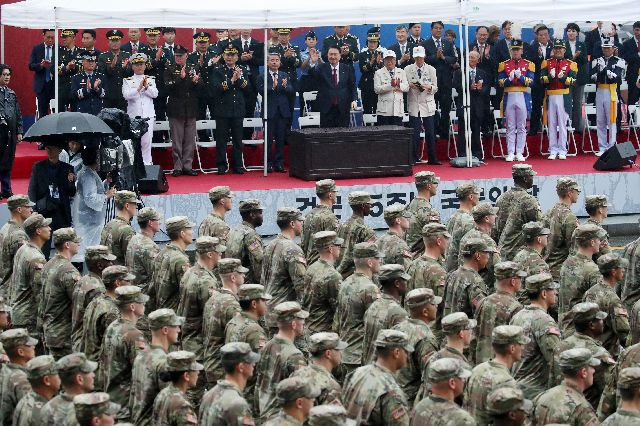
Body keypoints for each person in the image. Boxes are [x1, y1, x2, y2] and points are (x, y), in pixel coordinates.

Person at [342, 329, 411, 425]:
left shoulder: (357, 373)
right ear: (397, 352)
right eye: (406, 352)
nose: (407, 356)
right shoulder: (391, 392)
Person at [100, 285, 148, 421]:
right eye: (141, 302)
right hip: (127, 404)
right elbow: (143, 371)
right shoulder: (133, 334)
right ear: (132, 306)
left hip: (113, 398)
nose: (144, 304)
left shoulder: (113, 326)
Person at [510, 273, 561, 399]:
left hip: (516, 387)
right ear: (543, 294)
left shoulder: (518, 316)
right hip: (536, 392)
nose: (555, 293)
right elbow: (556, 359)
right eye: (552, 289)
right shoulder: (545, 321)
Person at [255, 302, 308, 422]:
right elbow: (302, 393)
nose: (304, 322)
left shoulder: (267, 346)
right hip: (281, 418)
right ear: (294, 324)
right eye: (301, 319)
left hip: (264, 414)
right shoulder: (294, 355)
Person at [555, 302, 615, 409]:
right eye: (600, 319)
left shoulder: (560, 346)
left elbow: (553, 381)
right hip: (585, 410)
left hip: (560, 406)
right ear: (591, 325)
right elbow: (609, 390)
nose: (603, 322)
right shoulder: (599, 353)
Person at [463, 325, 527, 425]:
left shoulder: (477, 370)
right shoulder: (507, 383)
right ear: (512, 348)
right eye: (521, 344)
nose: (523, 347)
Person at [129, 308, 183, 426]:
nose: (179, 330)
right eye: (176, 326)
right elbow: (168, 404)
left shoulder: (141, 356)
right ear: (165, 330)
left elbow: (133, 397)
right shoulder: (163, 362)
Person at [393, 288, 441, 407]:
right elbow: (430, 378)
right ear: (425, 312)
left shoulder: (398, 327)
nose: (436, 306)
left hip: (395, 396)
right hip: (411, 403)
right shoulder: (426, 338)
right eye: (433, 304)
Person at [28, 142, 77, 260]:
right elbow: (32, 190)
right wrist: (33, 210)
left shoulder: (67, 168)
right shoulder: (38, 167)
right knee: (43, 250)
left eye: (52, 148)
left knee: (64, 249)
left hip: (61, 213)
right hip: (44, 212)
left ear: (60, 150)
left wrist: (71, 181)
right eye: (47, 148)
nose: (49, 151)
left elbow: (72, 192)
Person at [40, 228, 81, 358]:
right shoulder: (68, 270)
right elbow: (79, 302)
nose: (79, 244)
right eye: (76, 241)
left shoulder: (48, 264)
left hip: (49, 330)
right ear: (67, 245)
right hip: (63, 335)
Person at [202, 258, 245, 386]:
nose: (244, 275)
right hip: (223, 369)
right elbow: (235, 340)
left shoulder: (212, 300)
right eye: (241, 273)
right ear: (233, 277)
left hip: (211, 364)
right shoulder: (231, 305)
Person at [406, 223, 450, 344]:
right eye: (446, 239)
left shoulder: (412, 265)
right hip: (432, 336)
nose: (448, 242)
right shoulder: (438, 271)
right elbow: (445, 306)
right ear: (439, 241)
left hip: (412, 332)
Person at [558, 224, 605, 334]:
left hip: (564, 325)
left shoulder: (567, 263)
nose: (600, 242)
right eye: (598, 239)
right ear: (592, 242)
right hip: (580, 329)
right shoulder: (592, 270)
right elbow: (599, 303)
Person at [474, 262, 525, 364]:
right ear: (513, 281)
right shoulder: (515, 307)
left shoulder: (483, 302)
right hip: (500, 365)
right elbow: (516, 343)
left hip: (480, 363)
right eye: (520, 278)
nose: (521, 281)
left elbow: (474, 336)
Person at [532, 348, 599, 425]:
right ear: (584, 372)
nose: (593, 370)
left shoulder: (541, 397)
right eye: (591, 367)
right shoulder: (582, 408)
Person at [211, 45, 250, 175]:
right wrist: (231, 80)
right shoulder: (218, 70)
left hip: (238, 109)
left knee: (238, 139)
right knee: (221, 139)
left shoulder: (243, 69)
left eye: (233, 55)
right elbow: (215, 89)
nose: (230, 57)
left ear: (237, 57)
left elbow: (248, 88)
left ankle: (238, 165)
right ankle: (221, 165)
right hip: (222, 110)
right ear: (223, 56)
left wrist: (238, 79)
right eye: (227, 55)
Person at [199, 342, 259, 426]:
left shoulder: (209, 395)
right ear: (241, 367)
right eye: (250, 361)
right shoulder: (237, 404)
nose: (254, 364)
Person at [80, 265, 132, 362]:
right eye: (127, 281)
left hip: (90, 359)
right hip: (101, 365)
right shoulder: (112, 310)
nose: (130, 284)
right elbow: (114, 345)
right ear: (118, 283)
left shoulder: (95, 302)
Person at [69, 247, 116, 351]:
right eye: (108, 262)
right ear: (100, 265)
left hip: (78, 338)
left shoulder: (84, 280)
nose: (112, 264)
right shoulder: (97, 288)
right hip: (87, 345)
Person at [164, 44, 201, 176]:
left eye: (180, 56)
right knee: (177, 140)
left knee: (190, 140)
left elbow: (200, 88)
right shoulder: (169, 68)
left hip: (190, 108)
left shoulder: (193, 67)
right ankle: (178, 166)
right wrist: (181, 78)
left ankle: (188, 165)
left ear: (186, 55)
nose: (178, 58)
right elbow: (168, 87)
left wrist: (196, 82)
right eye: (176, 56)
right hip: (176, 108)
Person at [73, 149, 115, 262]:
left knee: (92, 248)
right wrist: (106, 196)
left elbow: (96, 190)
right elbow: (90, 198)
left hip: (93, 218)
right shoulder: (87, 175)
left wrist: (106, 182)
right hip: (89, 219)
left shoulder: (90, 172)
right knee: (90, 251)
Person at [11, 214, 51, 333]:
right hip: (29, 318)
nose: (49, 229)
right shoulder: (36, 258)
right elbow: (40, 293)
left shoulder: (23, 249)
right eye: (46, 226)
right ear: (38, 231)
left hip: (19, 313)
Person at [362, 265, 409, 364]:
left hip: (369, 367)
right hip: (384, 368)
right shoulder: (397, 312)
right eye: (404, 280)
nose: (406, 283)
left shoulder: (373, 306)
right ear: (397, 283)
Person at [497, 39, 535, 162]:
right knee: (510, 126)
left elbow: (531, 81)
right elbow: (500, 82)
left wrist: (521, 77)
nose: (515, 52)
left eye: (517, 50)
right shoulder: (504, 64)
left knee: (522, 126)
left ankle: (520, 151)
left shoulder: (529, 64)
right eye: (513, 50)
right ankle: (510, 151)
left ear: (522, 50)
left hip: (522, 95)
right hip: (509, 94)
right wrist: (510, 78)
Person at [584, 253, 629, 355]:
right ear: (613, 271)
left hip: (590, 350)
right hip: (607, 354)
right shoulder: (613, 299)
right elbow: (624, 333)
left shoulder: (590, 292)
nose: (623, 270)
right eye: (620, 267)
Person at [262, 207, 306, 308]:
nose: (302, 223)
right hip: (285, 312)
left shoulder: (270, 245)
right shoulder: (293, 249)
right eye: (300, 220)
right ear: (292, 224)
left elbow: (263, 279)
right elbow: (301, 286)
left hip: (268, 309)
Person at [540, 38, 577, 160]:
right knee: (551, 123)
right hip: (551, 95)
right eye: (556, 48)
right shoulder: (546, 62)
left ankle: (562, 149)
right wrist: (549, 77)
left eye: (560, 48)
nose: (558, 51)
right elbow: (541, 79)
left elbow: (572, 81)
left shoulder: (571, 64)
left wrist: (563, 78)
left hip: (563, 95)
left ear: (564, 50)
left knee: (562, 123)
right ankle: (552, 148)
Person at [257, 52, 294, 173]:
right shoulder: (262, 76)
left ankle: (279, 163)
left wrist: (285, 87)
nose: (274, 62)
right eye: (272, 60)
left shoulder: (284, 75)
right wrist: (272, 87)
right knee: (268, 139)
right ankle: (267, 164)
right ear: (267, 62)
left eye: (276, 60)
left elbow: (291, 90)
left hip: (282, 111)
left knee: (280, 138)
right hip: (269, 111)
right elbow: (261, 91)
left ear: (280, 62)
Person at [496, 164, 541, 261]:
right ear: (525, 179)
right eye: (531, 176)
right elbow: (539, 228)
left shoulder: (501, 198)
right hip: (518, 256)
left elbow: (496, 228)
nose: (533, 178)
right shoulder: (529, 201)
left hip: (500, 254)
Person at [302, 231, 343, 335]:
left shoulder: (311, 268)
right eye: (337, 245)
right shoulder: (332, 275)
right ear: (330, 249)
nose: (340, 248)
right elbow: (340, 309)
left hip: (309, 328)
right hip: (324, 333)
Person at [38, 353, 97, 426]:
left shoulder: (48, 407)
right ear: (79, 379)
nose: (93, 375)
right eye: (89, 372)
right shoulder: (85, 414)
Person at [413, 358, 474, 425]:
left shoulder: (419, 408)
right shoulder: (462, 419)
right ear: (452, 383)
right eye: (461, 378)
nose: (464, 381)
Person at [150, 216, 193, 312]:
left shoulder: (161, 254)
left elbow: (152, 289)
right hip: (173, 317)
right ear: (182, 234)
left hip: (161, 314)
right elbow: (188, 294)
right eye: (189, 229)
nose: (192, 232)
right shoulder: (180, 260)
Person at [308, 45, 358, 128]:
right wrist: (313, 63)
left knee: (342, 134)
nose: (333, 57)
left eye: (335, 54)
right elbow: (312, 75)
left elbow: (352, 86)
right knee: (327, 136)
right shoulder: (321, 68)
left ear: (340, 55)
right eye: (330, 54)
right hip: (326, 108)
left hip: (343, 107)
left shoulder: (347, 69)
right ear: (327, 55)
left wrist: (354, 100)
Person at [423, 22, 457, 141]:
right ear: (431, 30)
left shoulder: (448, 43)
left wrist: (443, 58)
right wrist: (436, 57)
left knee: (446, 109)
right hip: (431, 82)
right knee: (432, 109)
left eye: (440, 28)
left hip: (446, 81)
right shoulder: (425, 43)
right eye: (436, 28)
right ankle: (433, 132)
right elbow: (424, 60)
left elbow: (454, 58)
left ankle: (444, 133)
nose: (438, 30)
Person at [590, 37, 624, 156]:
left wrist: (606, 71)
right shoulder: (597, 60)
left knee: (612, 120)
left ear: (613, 49)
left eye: (608, 48)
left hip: (611, 91)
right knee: (600, 120)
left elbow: (618, 78)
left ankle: (611, 146)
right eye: (604, 48)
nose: (606, 50)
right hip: (600, 90)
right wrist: (600, 72)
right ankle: (602, 146)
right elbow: (592, 77)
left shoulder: (618, 61)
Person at [404, 46, 438, 164]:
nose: (419, 59)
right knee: (415, 132)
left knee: (430, 132)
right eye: (417, 57)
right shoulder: (407, 69)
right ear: (414, 57)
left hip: (427, 103)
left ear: (424, 56)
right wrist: (409, 85)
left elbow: (436, 87)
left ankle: (433, 158)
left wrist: (430, 87)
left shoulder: (431, 69)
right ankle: (413, 158)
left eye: (421, 57)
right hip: (414, 103)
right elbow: (404, 85)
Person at [454, 50, 490, 161]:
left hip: (477, 106)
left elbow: (487, 87)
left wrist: (480, 89)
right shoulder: (461, 72)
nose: (470, 59)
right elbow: (456, 86)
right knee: (462, 130)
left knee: (476, 130)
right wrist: (468, 87)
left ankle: (477, 155)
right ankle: (462, 154)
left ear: (478, 60)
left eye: (473, 57)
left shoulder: (482, 72)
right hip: (464, 104)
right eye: (469, 57)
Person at [291, 332, 344, 406]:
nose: (341, 353)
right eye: (338, 349)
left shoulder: (296, 374)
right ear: (328, 354)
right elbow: (332, 417)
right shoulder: (331, 386)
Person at [122, 52, 157, 165]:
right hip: (134, 116)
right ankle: (135, 166)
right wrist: (138, 89)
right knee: (135, 142)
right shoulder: (127, 80)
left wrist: (146, 88)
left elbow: (155, 94)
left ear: (145, 65)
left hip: (148, 115)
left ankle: (147, 164)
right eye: (137, 64)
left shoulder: (150, 79)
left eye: (141, 64)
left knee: (147, 142)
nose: (139, 67)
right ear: (132, 66)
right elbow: (126, 95)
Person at [458, 203, 500, 290]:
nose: (496, 216)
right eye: (493, 214)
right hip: (482, 289)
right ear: (487, 219)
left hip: (465, 285)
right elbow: (497, 270)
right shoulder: (488, 241)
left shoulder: (465, 237)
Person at [544, 177, 580, 280]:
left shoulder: (549, 212)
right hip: (560, 272)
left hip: (546, 268)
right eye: (577, 191)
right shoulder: (569, 217)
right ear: (570, 193)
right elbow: (574, 249)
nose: (578, 193)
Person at [0, 328, 38, 425]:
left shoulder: (5, 371)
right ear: (21, 352)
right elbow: (29, 417)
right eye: (29, 345)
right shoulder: (22, 380)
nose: (33, 347)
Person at [152, 351, 201, 425]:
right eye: (195, 370)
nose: (198, 372)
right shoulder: (183, 406)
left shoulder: (162, 394)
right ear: (186, 376)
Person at [335, 191, 376, 279]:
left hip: (338, 275)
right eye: (369, 204)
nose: (371, 207)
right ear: (363, 206)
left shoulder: (341, 226)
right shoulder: (366, 230)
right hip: (354, 277)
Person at [0, 194, 33, 298]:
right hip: (14, 292)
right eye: (28, 207)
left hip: (5, 287)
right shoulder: (19, 235)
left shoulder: (6, 227)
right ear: (19, 209)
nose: (31, 210)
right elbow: (24, 266)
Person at [300, 179, 339, 265]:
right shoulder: (330, 218)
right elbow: (332, 246)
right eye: (335, 192)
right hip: (322, 266)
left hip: (308, 265)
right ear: (330, 195)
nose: (336, 194)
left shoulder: (308, 215)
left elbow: (303, 242)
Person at [13, 355, 60, 426]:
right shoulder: (45, 413)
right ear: (47, 380)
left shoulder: (25, 400)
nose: (60, 377)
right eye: (57, 374)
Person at [225, 199, 264, 284]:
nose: (262, 216)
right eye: (260, 212)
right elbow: (259, 264)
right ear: (252, 215)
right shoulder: (250, 235)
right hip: (247, 286)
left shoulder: (234, 231)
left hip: (233, 282)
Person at [444, 183, 479, 272]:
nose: (479, 197)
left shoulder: (452, 217)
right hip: (461, 270)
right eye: (477, 194)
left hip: (449, 269)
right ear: (471, 197)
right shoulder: (469, 220)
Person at [124, 206, 160, 293]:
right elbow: (159, 277)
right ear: (150, 223)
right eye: (157, 219)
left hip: (133, 290)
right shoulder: (150, 247)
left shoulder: (134, 239)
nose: (160, 222)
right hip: (145, 296)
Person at [0, 64, 23, 197]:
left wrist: (19, 131)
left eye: (8, 74)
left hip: (10, 133)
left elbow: (18, 113)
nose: (7, 77)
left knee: (7, 161)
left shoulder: (11, 93)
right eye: (4, 74)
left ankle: (7, 190)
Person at [100, 190, 138, 265]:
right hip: (120, 273)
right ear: (127, 206)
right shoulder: (127, 230)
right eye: (135, 204)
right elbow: (132, 260)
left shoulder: (108, 225)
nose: (136, 207)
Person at [527, 25, 552, 136]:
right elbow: (530, 62)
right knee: (536, 106)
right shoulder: (532, 47)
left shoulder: (554, 46)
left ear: (548, 35)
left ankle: (551, 126)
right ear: (537, 36)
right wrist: (540, 56)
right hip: (537, 81)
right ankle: (534, 128)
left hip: (552, 81)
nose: (543, 37)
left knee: (551, 105)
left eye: (545, 35)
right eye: (540, 35)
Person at [405, 171, 441, 251]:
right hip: (423, 255)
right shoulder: (430, 212)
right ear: (429, 186)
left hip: (409, 253)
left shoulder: (409, 206)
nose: (436, 186)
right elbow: (437, 238)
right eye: (435, 183)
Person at [97, 30, 132, 111]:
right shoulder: (103, 56)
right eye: (112, 41)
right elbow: (101, 74)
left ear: (120, 42)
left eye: (117, 41)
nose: (115, 43)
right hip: (109, 94)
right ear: (108, 42)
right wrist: (111, 67)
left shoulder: (127, 55)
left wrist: (126, 68)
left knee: (123, 118)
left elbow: (130, 74)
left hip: (124, 93)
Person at [374, 49, 409, 126]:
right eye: (387, 59)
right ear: (384, 61)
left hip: (398, 110)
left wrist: (399, 85)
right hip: (384, 111)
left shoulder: (401, 71)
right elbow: (377, 89)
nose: (389, 61)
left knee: (398, 135)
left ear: (395, 60)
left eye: (392, 59)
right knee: (384, 135)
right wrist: (390, 85)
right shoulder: (378, 73)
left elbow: (406, 87)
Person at [565, 23, 589, 132]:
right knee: (568, 102)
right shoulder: (563, 45)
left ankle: (578, 127)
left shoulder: (582, 45)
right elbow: (564, 60)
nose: (571, 33)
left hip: (579, 78)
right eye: (569, 30)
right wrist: (573, 57)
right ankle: (568, 125)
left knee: (578, 102)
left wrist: (577, 57)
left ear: (577, 33)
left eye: (573, 31)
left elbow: (585, 60)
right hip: (567, 78)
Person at [28, 29, 56, 118]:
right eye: (48, 37)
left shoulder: (59, 48)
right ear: (43, 35)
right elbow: (31, 66)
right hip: (42, 86)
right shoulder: (37, 49)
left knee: (56, 111)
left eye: (52, 38)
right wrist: (40, 65)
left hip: (55, 85)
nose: (50, 40)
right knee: (42, 112)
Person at [358, 28, 384, 114]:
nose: (372, 44)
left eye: (374, 42)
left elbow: (384, 70)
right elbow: (363, 69)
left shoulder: (382, 54)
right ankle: (367, 127)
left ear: (377, 43)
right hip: (366, 85)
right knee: (367, 109)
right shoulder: (362, 55)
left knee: (379, 109)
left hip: (379, 85)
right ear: (367, 43)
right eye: (370, 42)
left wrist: (379, 64)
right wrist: (371, 63)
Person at [57, 29, 81, 113]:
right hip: (62, 90)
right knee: (61, 116)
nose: (63, 39)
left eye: (66, 37)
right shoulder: (57, 52)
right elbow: (53, 70)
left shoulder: (81, 52)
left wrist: (74, 67)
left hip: (77, 89)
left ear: (73, 37)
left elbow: (84, 69)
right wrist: (66, 68)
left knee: (77, 116)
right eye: (62, 37)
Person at [299, 31, 322, 113]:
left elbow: (324, 67)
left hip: (317, 80)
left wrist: (319, 57)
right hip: (305, 80)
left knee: (317, 105)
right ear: (305, 41)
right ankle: (304, 125)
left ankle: (317, 125)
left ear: (316, 41)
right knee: (304, 106)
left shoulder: (320, 52)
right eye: (309, 39)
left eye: (313, 39)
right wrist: (309, 56)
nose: (311, 41)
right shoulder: (301, 53)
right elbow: (302, 67)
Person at [621, 21, 640, 109]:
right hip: (632, 75)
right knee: (632, 98)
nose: (638, 32)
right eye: (637, 30)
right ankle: (630, 120)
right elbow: (624, 57)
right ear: (633, 30)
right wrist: (637, 56)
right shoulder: (627, 43)